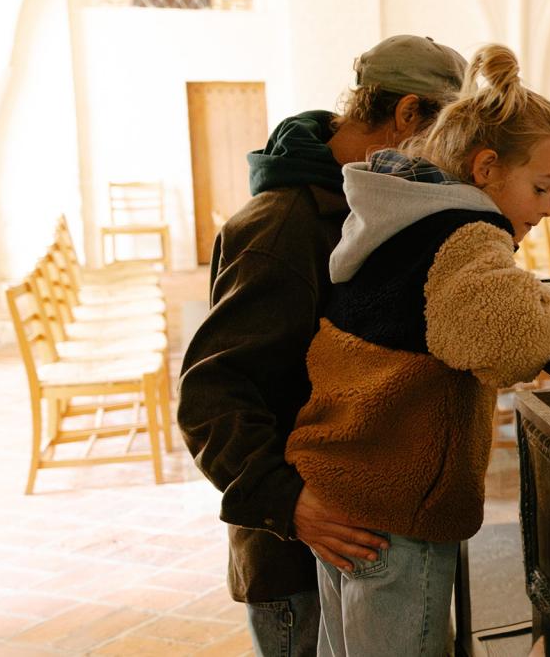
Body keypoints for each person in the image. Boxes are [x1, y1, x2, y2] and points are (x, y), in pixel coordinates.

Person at [284, 44, 550, 655]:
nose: (549, 209)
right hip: (396, 508)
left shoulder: (398, 216)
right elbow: (505, 340)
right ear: (487, 167)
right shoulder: (466, 234)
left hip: (345, 484)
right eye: (542, 187)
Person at [178, 34, 466, 657]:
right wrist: (291, 505)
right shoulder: (282, 227)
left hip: (352, 530)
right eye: (442, 140)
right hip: (298, 555)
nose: (444, 164)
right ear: (408, 114)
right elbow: (210, 397)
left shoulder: (362, 204)